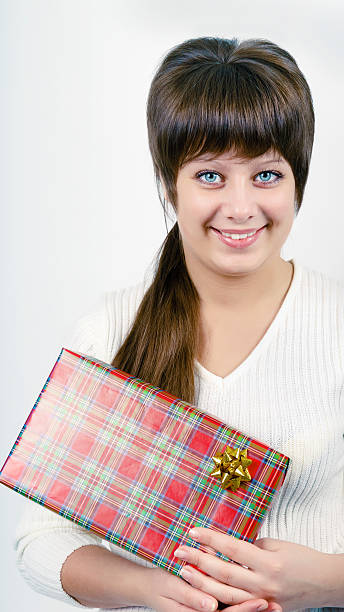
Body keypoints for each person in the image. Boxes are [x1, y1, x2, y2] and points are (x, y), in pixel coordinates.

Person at [14, 35, 344, 612]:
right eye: (210, 176)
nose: (241, 207)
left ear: (299, 182)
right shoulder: (111, 328)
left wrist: (323, 580)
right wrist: (157, 590)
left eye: (266, 174)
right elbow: (38, 544)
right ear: (170, 184)